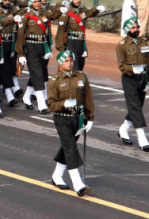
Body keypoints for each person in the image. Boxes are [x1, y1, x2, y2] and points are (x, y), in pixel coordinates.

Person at [47, 50, 94, 197]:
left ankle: (57, 176)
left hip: (77, 118)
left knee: (67, 148)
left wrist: (90, 117)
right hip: (62, 119)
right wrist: (63, 103)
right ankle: (78, 184)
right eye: (66, 60)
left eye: (71, 60)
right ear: (60, 63)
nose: (70, 62)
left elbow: (88, 98)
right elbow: (51, 105)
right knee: (71, 148)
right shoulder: (54, 81)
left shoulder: (81, 77)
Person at [116, 17, 149, 152]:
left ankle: (124, 128)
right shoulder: (121, 45)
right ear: (127, 29)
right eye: (133, 27)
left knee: (137, 106)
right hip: (130, 79)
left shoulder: (143, 42)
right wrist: (132, 69)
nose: (136, 29)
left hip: (143, 78)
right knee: (135, 108)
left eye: (137, 27)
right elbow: (122, 66)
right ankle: (142, 138)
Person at [55, 0, 104, 71]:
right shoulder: (67, 13)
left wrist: (97, 9)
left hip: (81, 43)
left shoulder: (82, 10)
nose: (78, 0)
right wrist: (61, 49)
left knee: (80, 67)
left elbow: (90, 13)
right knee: (74, 68)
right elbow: (61, 31)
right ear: (70, 0)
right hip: (71, 43)